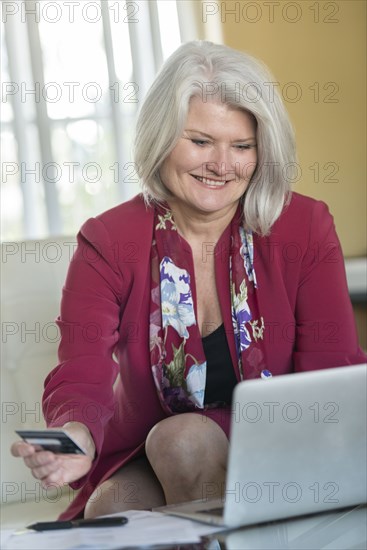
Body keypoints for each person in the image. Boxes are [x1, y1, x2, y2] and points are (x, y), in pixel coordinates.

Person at [11, 40, 366, 520]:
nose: (222, 165)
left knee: (183, 439)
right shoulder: (107, 239)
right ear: (160, 137)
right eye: (200, 142)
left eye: (241, 146)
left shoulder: (304, 226)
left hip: (281, 440)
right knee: (111, 509)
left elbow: (332, 367)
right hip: (146, 448)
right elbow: (83, 366)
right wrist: (73, 436)